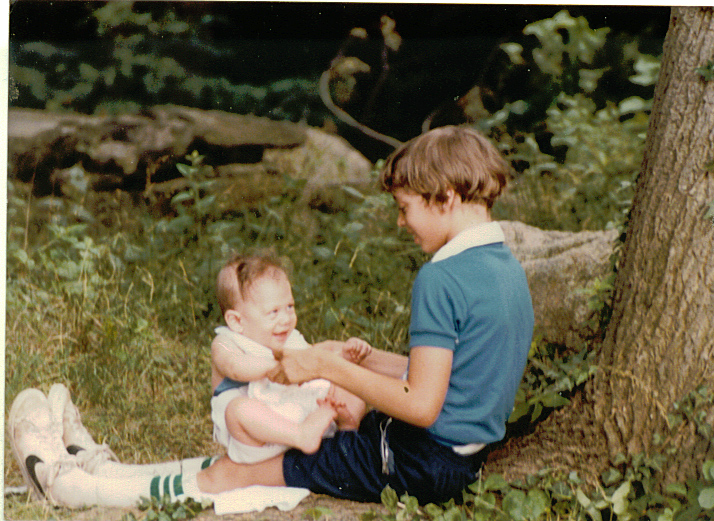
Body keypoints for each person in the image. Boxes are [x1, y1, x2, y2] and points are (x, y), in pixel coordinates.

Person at [8, 125, 534, 508]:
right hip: (455, 458)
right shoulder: (504, 266)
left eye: (405, 208)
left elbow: (421, 404)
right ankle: (114, 469)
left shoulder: (441, 277)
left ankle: (76, 487)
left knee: (239, 472)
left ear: (443, 197)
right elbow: (455, 371)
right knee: (286, 442)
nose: (400, 222)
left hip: (416, 458)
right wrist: (374, 361)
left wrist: (327, 368)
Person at [210, 252, 370, 463]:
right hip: (259, 437)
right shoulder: (226, 342)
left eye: (290, 307)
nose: (286, 318)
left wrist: (343, 356)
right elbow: (235, 367)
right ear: (237, 321)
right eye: (273, 312)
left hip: (303, 412)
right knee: (238, 410)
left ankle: (346, 430)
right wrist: (277, 365)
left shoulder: (290, 338)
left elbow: (314, 358)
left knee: (350, 381)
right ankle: (300, 435)